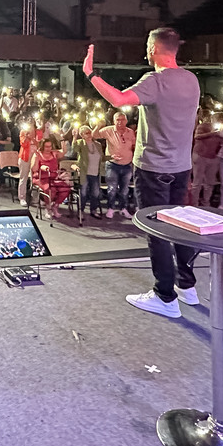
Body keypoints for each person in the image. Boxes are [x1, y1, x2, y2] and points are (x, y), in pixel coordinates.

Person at [83, 28, 201, 319]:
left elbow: (118, 99)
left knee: (157, 230)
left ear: (153, 49)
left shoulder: (155, 80)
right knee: (179, 226)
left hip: (153, 168)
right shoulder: (191, 79)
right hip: (181, 166)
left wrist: (91, 74)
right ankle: (187, 286)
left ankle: (164, 296)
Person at [94, 111, 135, 217]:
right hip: (113, 165)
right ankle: (111, 208)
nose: (120, 122)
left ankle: (123, 208)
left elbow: (134, 145)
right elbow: (94, 135)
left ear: (126, 120)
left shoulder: (130, 132)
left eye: (122, 119)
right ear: (114, 121)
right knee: (112, 189)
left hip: (127, 165)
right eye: (118, 120)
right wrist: (98, 126)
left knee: (125, 189)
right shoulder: (108, 130)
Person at [30, 138, 71, 220]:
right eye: (46, 147)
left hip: (53, 178)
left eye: (50, 146)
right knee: (50, 190)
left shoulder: (54, 153)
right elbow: (34, 169)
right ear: (42, 146)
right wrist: (36, 158)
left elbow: (64, 152)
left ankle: (55, 206)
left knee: (65, 188)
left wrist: (62, 139)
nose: (48, 148)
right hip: (41, 178)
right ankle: (48, 208)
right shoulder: (38, 155)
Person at [191, 110, 222, 208]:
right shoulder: (203, 126)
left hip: (213, 158)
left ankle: (206, 203)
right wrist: (212, 133)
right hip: (200, 156)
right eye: (218, 118)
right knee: (197, 182)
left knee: (210, 183)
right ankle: (194, 204)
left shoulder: (222, 131)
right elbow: (197, 136)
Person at [78, 126, 105, 218]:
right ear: (82, 135)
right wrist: (74, 137)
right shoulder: (80, 143)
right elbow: (75, 149)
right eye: (86, 133)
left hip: (95, 172)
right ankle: (81, 211)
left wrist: (112, 157)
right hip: (85, 173)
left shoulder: (97, 144)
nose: (89, 135)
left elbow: (102, 157)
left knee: (95, 193)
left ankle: (93, 210)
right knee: (83, 193)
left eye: (90, 132)